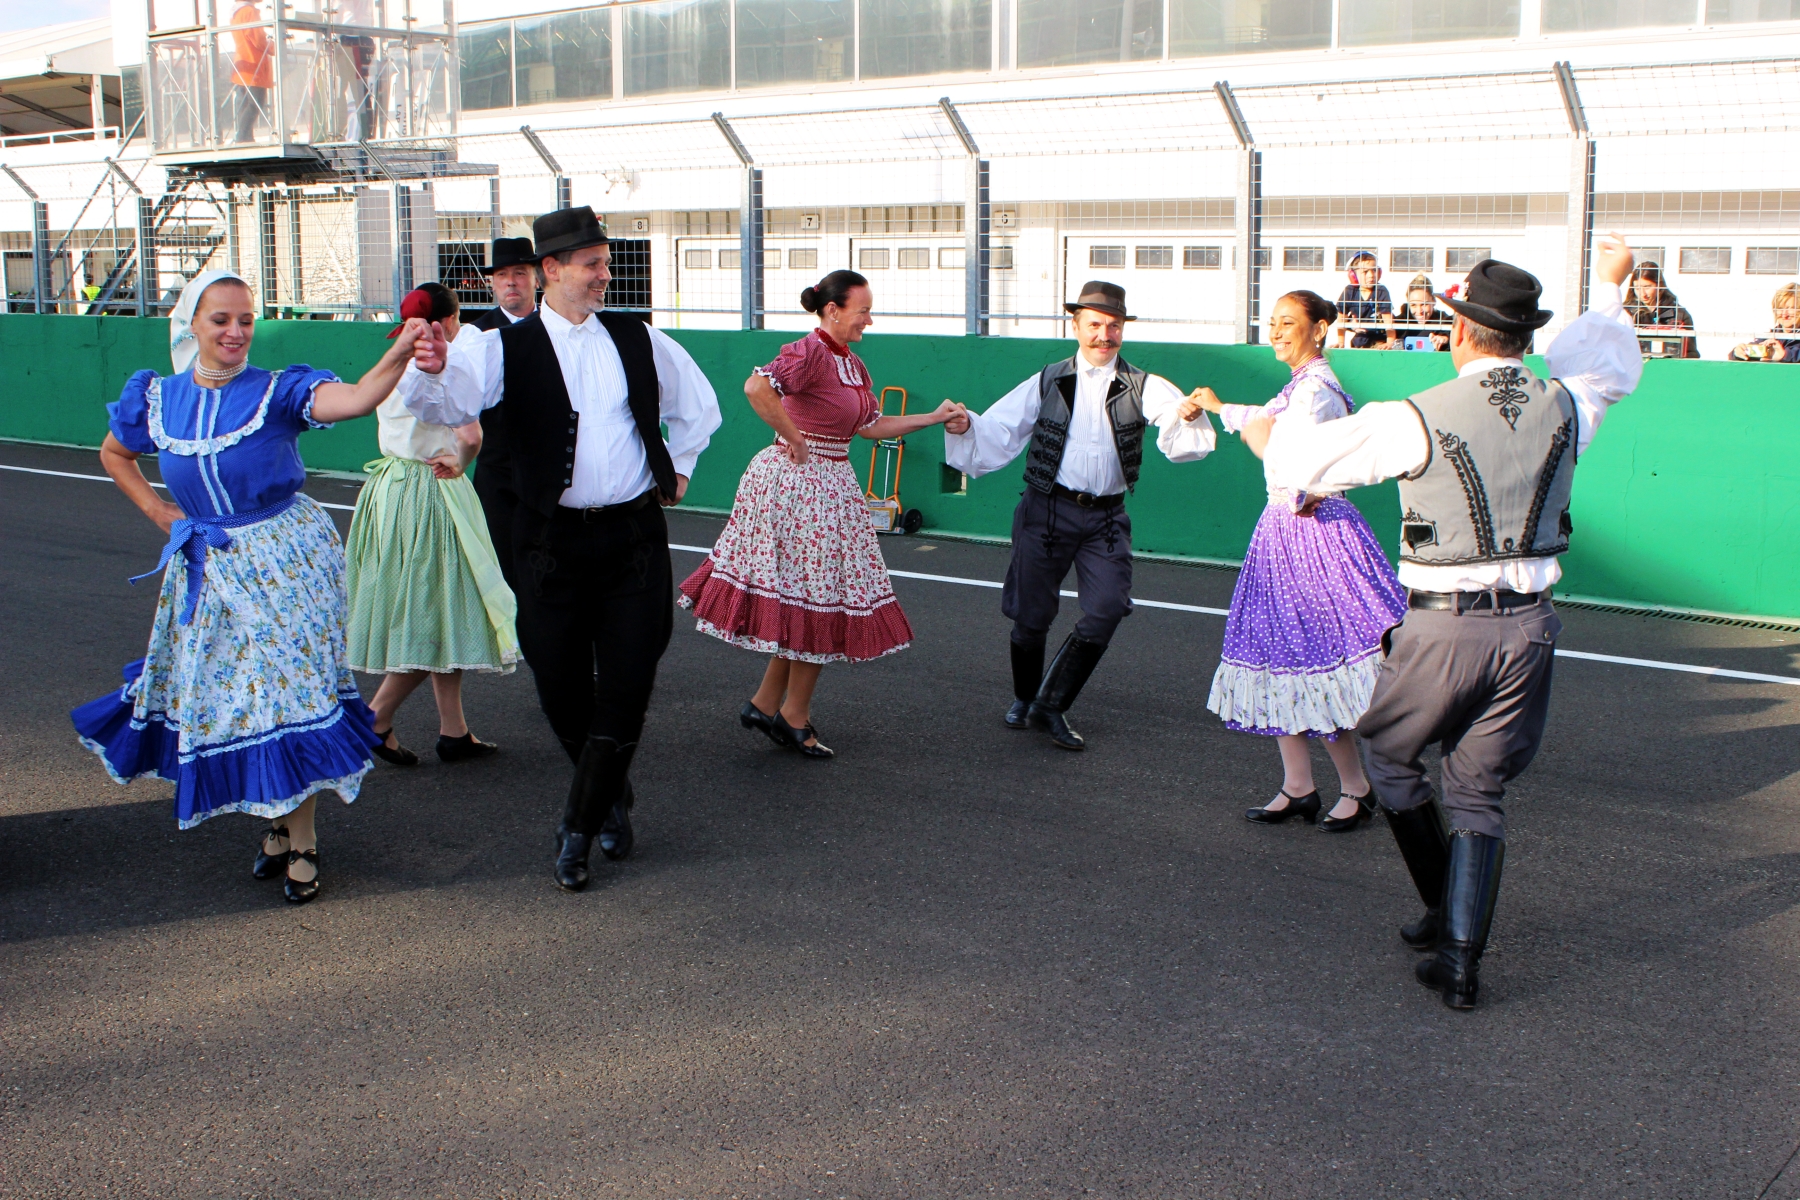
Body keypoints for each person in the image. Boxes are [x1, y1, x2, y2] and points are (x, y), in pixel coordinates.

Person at [1247, 235, 1642, 1009]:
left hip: (1443, 626)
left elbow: (1299, 467)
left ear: (1459, 331)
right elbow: (1608, 364)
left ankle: (1438, 908)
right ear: (1525, 339)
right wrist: (1613, 290)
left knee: (1391, 757)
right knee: (1479, 790)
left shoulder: (1413, 415)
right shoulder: (1569, 403)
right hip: (1530, 628)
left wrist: (1259, 431)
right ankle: (1459, 959)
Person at [70, 270, 427, 905]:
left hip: (285, 560)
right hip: (205, 565)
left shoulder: (277, 390)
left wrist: (396, 353)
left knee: (288, 700)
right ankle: (275, 824)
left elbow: (354, 399)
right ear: (192, 325)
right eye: (220, 320)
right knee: (239, 699)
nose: (236, 332)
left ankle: (303, 839)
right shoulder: (157, 398)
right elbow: (113, 454)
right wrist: (160, 515)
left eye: (245, 319)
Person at [397, 206, 722, 894]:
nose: (607, 275)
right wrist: (427, 368)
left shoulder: (639, 339)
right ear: (551, 271)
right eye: (593, 264)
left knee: (630, 682)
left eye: (607, 263)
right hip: (548, 541)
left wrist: (680, 466)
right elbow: (439, 403)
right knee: (563, 687)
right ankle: (612, 794)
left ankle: (578, 823)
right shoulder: (497, 347)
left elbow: (701, 406)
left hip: (633, 536)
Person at [679, 271, 962, 759]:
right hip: (798, 488)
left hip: (830, 486)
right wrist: (795, 437)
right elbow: (756, 388)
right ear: (833, 310)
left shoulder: (850, 363)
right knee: (822, 600)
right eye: (862, 311)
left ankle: (768, 705)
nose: (868, 321)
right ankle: (791, 716)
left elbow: (872, 425)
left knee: (812, 599)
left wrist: (932, 417)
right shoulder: (809, 351)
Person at [943, 281, 1216, 751]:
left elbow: (1174, 422)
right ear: (1076, 325)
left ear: (1123, 329)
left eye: (1113, 325)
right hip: (1046, 510)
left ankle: (1051, 704)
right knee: (1031, 614)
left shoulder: (1144, 385)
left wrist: (1188, 415)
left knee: (1108, 608)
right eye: (1094, 324)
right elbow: (1002, 427)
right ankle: (1026, 697)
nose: (1104, 335)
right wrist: (969, 425)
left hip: (1106, 519)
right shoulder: (1049, 379)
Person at [1182, 291, 1407, 832]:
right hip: (1285, 532)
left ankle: (1358, 786)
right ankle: (1299, 786)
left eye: (1289, 323)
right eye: (1274, 322)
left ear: (1321, 328)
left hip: (1312, 530)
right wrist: (1219, 408)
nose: (1277, 331)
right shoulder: (1302, 386)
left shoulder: (1318, 390)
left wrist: (1238, 422)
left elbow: (1293, 457)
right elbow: (1267, 424)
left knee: (1316, 656)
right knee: (1281, 653)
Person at [346, 283, 519, 768]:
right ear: (446, 322)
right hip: (433, 488)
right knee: (433, 611)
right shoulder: (437, 363)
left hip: (389, 489)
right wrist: (462, 461)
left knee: (441, 606)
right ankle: (374, 718)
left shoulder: (395, 359)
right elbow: (470, 434)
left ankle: (454, 730)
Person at [467, 235, 541, 592]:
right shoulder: (476, 335)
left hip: (550, 469)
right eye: (502, 275)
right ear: (493, 283)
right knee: (501, 565)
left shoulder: (559, 328)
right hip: (497, 473)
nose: (511, 281)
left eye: (520, 272)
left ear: (538, 277)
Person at [1625, 260, 1697, 359]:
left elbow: (1691, 354)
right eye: (1637, 288)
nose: (1642, 294)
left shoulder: (1679, 314)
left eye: (1647, 287)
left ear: (1660, 285)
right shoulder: (1625, 313)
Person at [229, 0, 273, 145]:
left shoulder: (236, 12)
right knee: (255, 104)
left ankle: (245, 137)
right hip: (254, 65)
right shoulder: (249, 12)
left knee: (245, 104)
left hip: (242, 66)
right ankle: (242, 137)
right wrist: (273, 46)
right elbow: (257, 39)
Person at [1335, 253, 1396, 348]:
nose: (1371, 275)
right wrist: (1341, 342)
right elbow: (1341, 319)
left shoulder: (1381, 290)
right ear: (1353, 275)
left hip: (1379, 340)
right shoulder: (1349, 291)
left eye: (1374, 270)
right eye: (1365, 271)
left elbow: (1389, 322)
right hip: (1359, 341)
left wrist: (1390, 343)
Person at [1728, 283, 1800, 362]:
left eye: (1791, 308)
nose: (1784, 314)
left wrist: (1784, 355)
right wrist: (1738, 352)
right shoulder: (1771, 336)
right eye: (1780, 308)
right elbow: (1739, 355)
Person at [1388, 275, 1453, 351]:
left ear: (1434, 301)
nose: (1419, 311)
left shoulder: (1445, 322)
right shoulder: (1400, 323)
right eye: (1413, 305)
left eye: (1424, 304)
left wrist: (1446, 339)